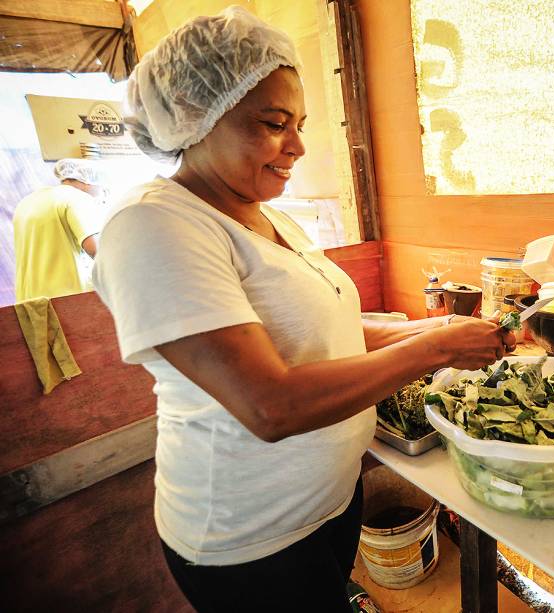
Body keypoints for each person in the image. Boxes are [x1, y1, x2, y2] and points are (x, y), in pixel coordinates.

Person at [91, 7, 515, 612]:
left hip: (328, 505)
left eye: (301, 123)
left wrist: (435, 325)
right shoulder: (154, 225)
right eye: (273, 124)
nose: (297, 146)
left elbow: (324, 330)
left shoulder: (266, 214)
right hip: (251, 541)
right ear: (198, 118)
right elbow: (270, 403)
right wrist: (439, 350)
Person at [12, 158, 106, 302]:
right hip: (69, 299)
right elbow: (96, 250)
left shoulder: (26, 202)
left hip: (29, 301)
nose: (102, 194)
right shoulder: (78, 199)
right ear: (88, 182)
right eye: (103, 188)